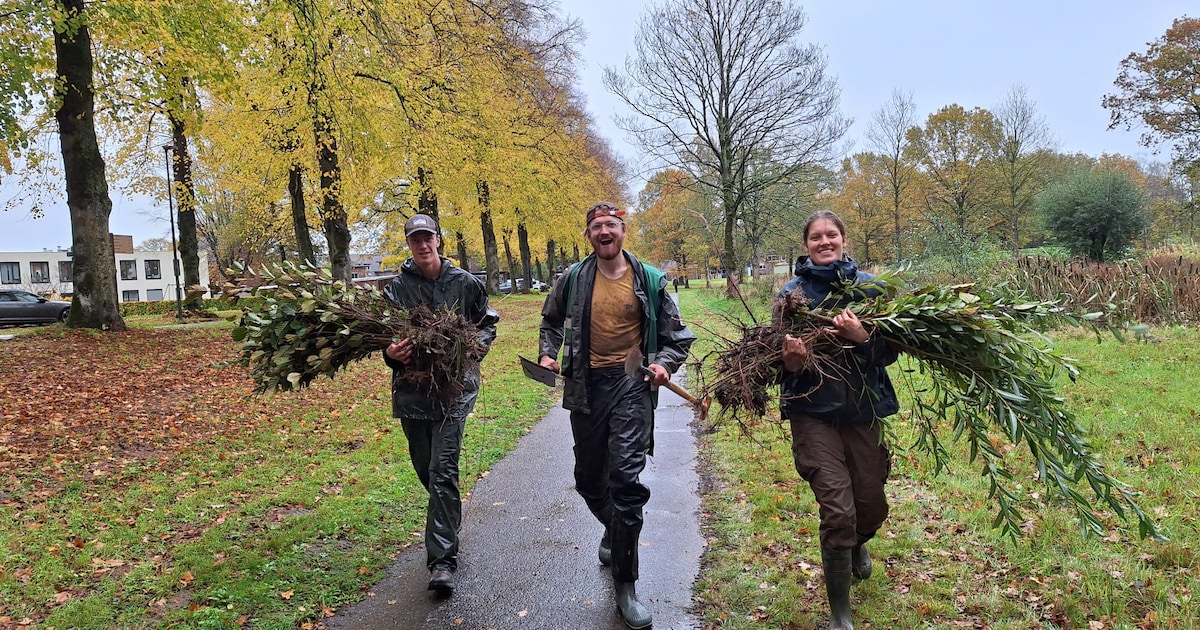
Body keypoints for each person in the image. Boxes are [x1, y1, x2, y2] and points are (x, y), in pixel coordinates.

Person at [537, 201, 696, 630]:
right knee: (590, 480)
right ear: (589, 235)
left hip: (632, 382)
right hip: (586, 385)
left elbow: (677, 336)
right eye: (596, 227)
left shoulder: (650, 280)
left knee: (625, 482)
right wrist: (549, 355)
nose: (604, 232)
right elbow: (550, 323)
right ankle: (616, 529)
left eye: (611, 225)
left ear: (623, 231)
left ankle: (626, 585)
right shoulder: (572, 279)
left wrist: (663, 362)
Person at [776, 210, 899, 630]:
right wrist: (791, 363)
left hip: (862, 411)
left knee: (871, 505)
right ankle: (840, 615)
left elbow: (891, 354)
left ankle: (857, 544)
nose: (824, 242)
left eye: (832, 235)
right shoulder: (792, 295)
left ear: (844, 240)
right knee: (837, 509)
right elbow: (771, 364)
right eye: (816, 237)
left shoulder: (871, 290)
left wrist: (863, 338)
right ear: (806, 244)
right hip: (812, 415)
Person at [382, 213, 499, 596]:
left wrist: (474, 347)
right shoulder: (396, 289)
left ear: (438, 240)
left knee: (442, 469)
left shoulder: (464, 283)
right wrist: (390, 352)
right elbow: (382, 338)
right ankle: (448, 521)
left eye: (427, 237)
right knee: (427, 471)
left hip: (455, 389)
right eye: (415, 239)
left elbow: (487, 321)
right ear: (409, 244)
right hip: (413, 392)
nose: (423, 245)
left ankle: (442, 562)